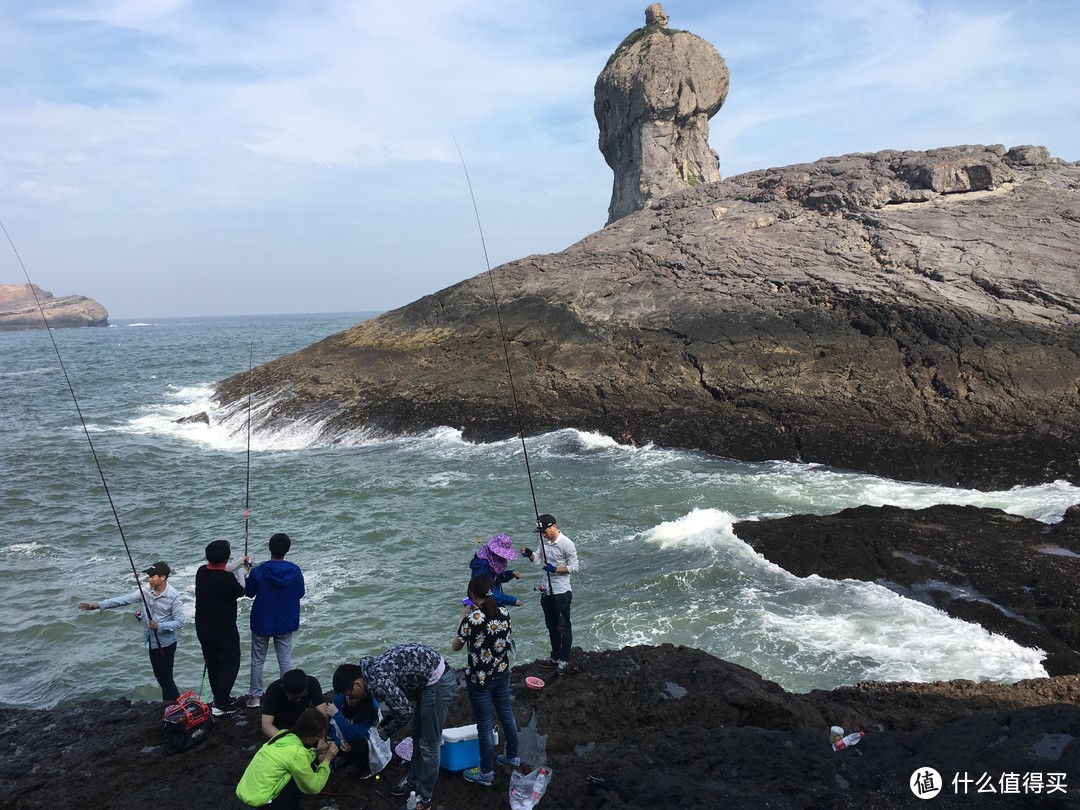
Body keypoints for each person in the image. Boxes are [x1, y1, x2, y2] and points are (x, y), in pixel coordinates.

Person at [346, 643, 456, 810]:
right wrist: (389, 718)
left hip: (438, 681)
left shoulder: (376, 681)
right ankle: (413, 782)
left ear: (357, 684)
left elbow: (405, 712)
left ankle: (424, 798)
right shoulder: (370, 671)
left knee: (429, 744)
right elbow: (400, 697)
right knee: (417, 735)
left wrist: (386, 732)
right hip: (427, 680)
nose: (351, 698)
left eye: (350, 694)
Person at [78, 561, 185, 702]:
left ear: (163, 577)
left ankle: (174, 707)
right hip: (152, 641)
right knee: (160, 677)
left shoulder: (174, 597)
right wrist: (99, 605)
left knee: (166, 679)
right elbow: (124, 600)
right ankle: (170, 707)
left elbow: (180, 621)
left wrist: (160, 626)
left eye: (152, 576)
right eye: (148, 576)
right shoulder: (145, 591)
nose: (149, 579)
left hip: (166, 644)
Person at [452, 573, 521, 787]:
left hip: (479, 679)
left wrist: (461, 619)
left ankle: (486, 772)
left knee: (484, 724)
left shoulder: (472, 620)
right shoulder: (504, 613)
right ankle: (512, 756)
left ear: (472, 595)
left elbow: (456, 646)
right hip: (501, 672)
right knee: (506, 713)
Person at [245, 531, 305, 708]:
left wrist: (247, 575)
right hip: (286, 621)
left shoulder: (259, 571)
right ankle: (288, 694)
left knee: (258, 659)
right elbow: (300, 593)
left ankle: (255, 697)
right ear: (287, 550)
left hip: (262, 621)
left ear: (269, 548)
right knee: (285, 659)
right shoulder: (294, 570)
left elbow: (249, 593)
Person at [235, 706, 337, 809]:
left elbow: (291, 758)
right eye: (319, 736)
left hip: (242, 794)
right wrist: (327, 761)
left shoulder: (283, 735)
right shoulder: (298, 753)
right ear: (310, 735)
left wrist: (316, 751)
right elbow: (314, 787)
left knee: (294, 774)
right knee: (298, 780)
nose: (318, 739)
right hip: (258, 804)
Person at [195, 539, 250, 716]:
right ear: (226, 558)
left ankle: (220, 698)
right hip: (224, 629)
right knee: (230, 664)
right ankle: (221, 703)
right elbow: (241, 590)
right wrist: (243, 572)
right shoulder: (227, 580)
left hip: (203, 628)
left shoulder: (201, 572)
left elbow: (221, 570)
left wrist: (240, 561)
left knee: (213, 663)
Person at [521, 513, 579, 674]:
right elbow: (538, 559)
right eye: (540, 532)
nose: (542, 534)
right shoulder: (543, 541)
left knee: (564, 627)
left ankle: (564, 659)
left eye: (544, 531)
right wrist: (530, 554)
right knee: (551, 625)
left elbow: (574, 567)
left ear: (553, 526)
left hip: (562, 591)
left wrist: (555, 569)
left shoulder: (567, 544)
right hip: (546, 590)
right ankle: (554, 656)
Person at [327, 663, 382, 776]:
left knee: (359, 745)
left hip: (363, 741)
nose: (350, 700)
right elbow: (330, 725)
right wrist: (338, 742)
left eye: (353, 697)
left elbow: (355, 736)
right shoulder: (340, 698)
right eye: (347, 696)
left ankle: (361, 764)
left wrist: (337, 715)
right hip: (344, 738)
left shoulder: (371, 706)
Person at [261, 668, 328, 739]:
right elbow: (266, 726)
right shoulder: (273, 690)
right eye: (293, 698)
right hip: (280, 727)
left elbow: (322, 714)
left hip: (301, 724)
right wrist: (290, 742)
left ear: (305, 691)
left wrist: (322, 739)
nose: (298, 700)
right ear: (283, 687)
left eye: (300, 696)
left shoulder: (312, 683)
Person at [469, 533, 523, 607]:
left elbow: (495, 578)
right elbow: (488, 592)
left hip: (492, 603)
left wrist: (510, 574)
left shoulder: (491, 560)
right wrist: (511, 600)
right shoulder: (482, 567)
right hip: (483, 606)